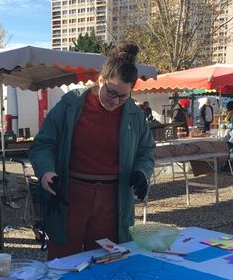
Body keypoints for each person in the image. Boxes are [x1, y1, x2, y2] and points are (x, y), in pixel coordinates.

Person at [29, 42, 155, 260]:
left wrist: (142, 172)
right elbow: (43, 144)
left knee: (106, 262)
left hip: (113, 201)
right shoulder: (71, 105)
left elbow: (146, 152)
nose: (116, 102)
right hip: (70, 195)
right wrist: (46, 172)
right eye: (112, 92)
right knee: (63, 261)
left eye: (124, 97)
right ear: (100, 80)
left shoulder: (135, 115)